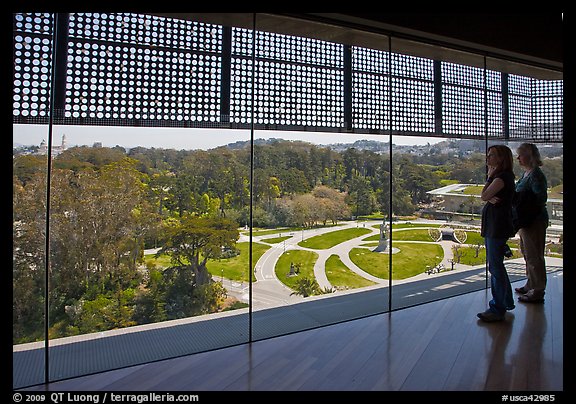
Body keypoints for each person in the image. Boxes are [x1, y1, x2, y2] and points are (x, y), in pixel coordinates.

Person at [477, 145, 516, 322]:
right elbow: (486, 196)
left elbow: (483, 196)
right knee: (497, 266)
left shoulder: (501, 177)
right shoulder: (504, 177)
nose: (488, 158)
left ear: (501, 159)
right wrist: (488, 194)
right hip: (496, 226)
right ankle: (505, 301)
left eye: (491, 155)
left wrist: (490, 179)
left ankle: (498, 307)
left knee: (495, 267)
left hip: (497, 227)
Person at [514, 143, 549, 303]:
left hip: (534, 220)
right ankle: (531, 284)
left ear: (530, 156)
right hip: (526, 220)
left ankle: (538, 290)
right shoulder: (527, 174)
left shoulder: (535, 175)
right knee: (527, 253)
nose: (518, 158)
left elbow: (540, 199)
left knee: (534, 256)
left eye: (520, 155)